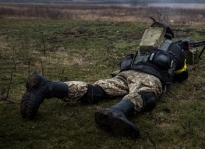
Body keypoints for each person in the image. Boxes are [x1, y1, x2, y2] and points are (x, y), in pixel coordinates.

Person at [20, 22, 188, 139]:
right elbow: (181, 75)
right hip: (150, 78)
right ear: (170, 37)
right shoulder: (174, 47)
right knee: (145, 95)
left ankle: (48, 86)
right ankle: (117, 111)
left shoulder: (144, 48)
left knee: (97, 90)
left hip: (125, 74)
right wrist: (182, 50)